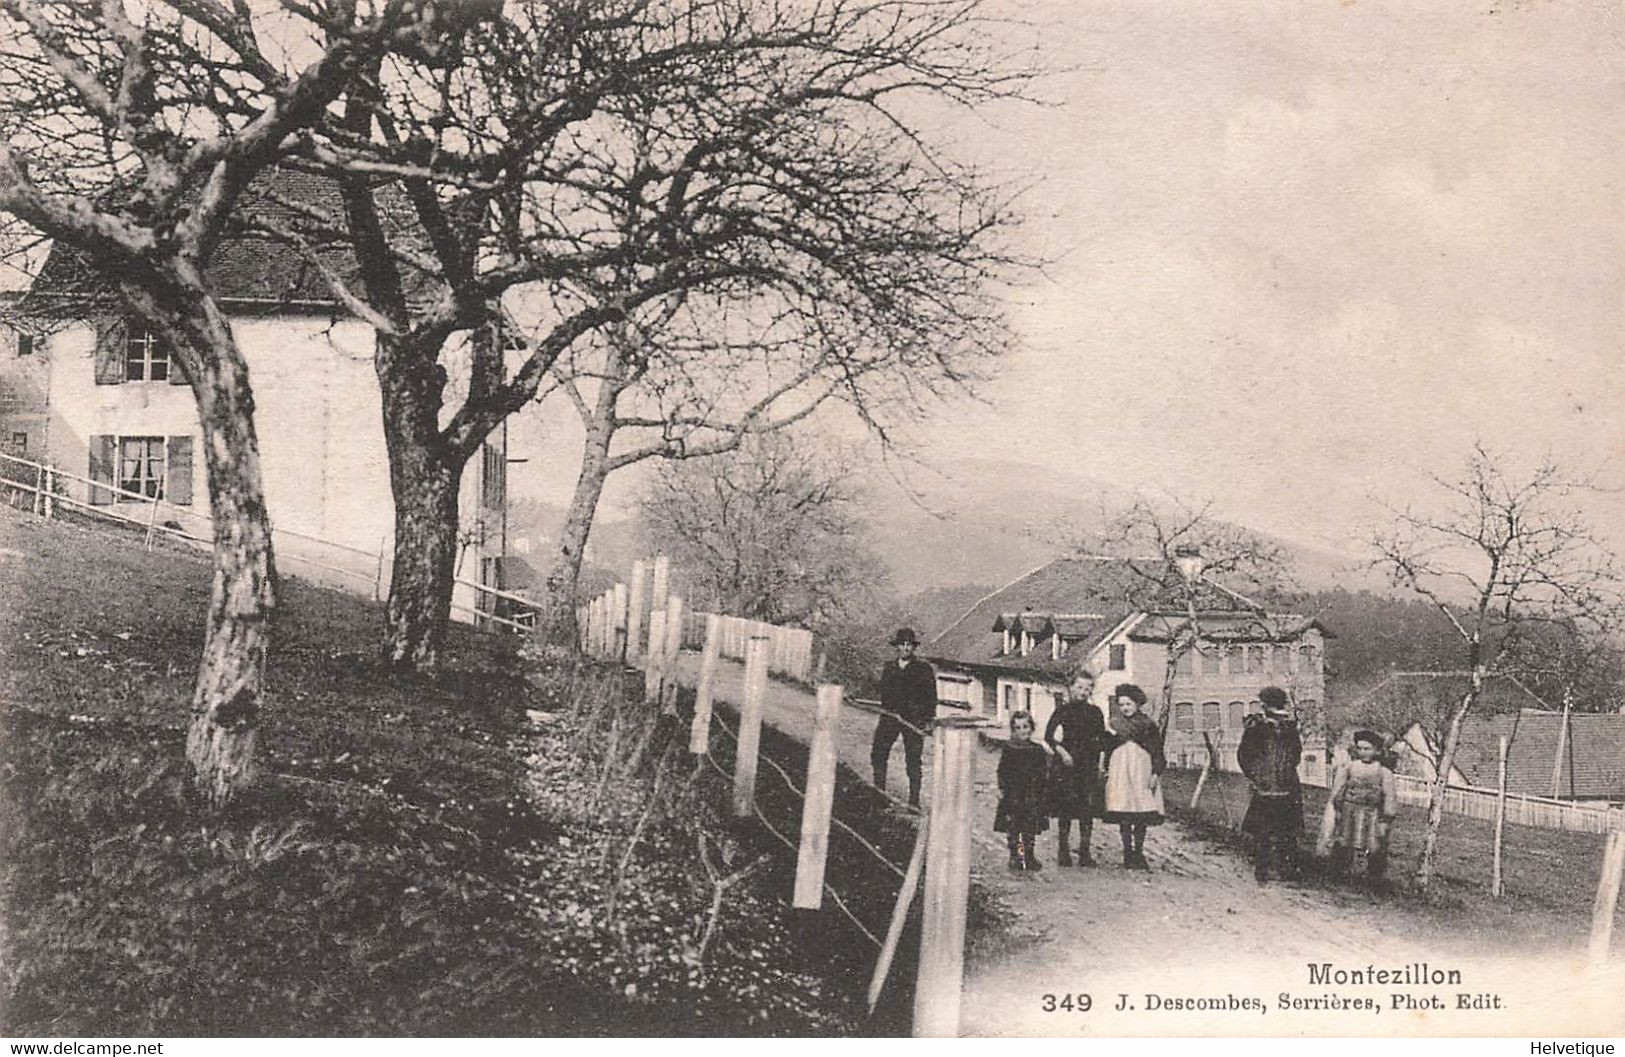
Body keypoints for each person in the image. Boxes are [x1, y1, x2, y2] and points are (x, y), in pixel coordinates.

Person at [1239, 685, 1304, 884]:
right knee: (1272, 828)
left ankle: (1276, 869)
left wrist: (1256, 774)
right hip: (1274, 783)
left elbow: (1244, 755)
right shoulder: (1261, 727)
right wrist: (1257, 774)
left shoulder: (1286, 727)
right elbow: (1246, 755)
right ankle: (1272, 869)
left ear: (1265, 705)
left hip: (1277, 784)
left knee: (1277, 829)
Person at [1044, 668, 1108, 867]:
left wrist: (1101, 763)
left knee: (1086, 809)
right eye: (1079, 687)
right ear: (1071, 688)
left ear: (1091, 691)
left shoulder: (1095, 712)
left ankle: (1085, 852)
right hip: (1067, 764)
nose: (1083, 691)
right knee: (1066, 807)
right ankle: (1063, 851)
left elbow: (1101, 740)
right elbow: (1049, 736)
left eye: (1088, 688)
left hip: (1087, 764)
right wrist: (1062, 752)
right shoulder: (1062, 710)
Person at [1099, 683, 1165, 870]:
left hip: (1141, 770)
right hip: (1120, 770)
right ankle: (1127, 851)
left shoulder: (1148, 725)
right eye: (1121, 705)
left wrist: (1155, 773)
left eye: (1128, 704)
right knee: (1124, 811)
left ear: (1137, 704)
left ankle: (1139, 851)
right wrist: (1105, 769)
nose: (1125, 708)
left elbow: (1157, 751)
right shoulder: (1115, 724)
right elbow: (1108, 749)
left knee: (1140, 812)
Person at [870, 627, 937, 809]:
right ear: (897, 647)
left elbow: (931, 697)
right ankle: (879, 795)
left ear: (913, 648)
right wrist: (886, 711)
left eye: (909, 645)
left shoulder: (923, 669)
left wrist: (928, 720)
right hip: (890, 717)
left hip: (913, 719)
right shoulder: (889, 668)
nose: (906, 648)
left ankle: (914, 802)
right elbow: (883, 691)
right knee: (878, 753)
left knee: (913, 760)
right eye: (902, 645)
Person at [1328, 730, 1398, 882]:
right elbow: (1340, 789)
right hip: (1349, 809)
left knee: (1368, 842)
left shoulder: (1383, 771)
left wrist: (1387, 815)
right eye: (1360, 748)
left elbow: (1389, 795)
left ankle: (1363, 874)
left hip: (1370, 812)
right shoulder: (1350, 767)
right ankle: (1340, 871)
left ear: (1377, 750)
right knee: (1345, 839)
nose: (1363, 752)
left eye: (1367, 749)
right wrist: (1338, 806)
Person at [995, 710, 1050, 870]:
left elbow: (1042, 771)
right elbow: (1002, 770)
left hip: (1031, 793)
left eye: (1025, 727)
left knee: (1029, 826)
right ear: (1013, 730)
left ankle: (1029, 855)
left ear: (1032, 728)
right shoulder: (1010, 748)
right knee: (1013, 826)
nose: (1022, 731)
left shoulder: (1037, 749)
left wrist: (1043, 790)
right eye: (1018, 728)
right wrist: (1001, 788)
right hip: (1013, 793)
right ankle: (1015, 855)